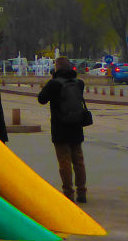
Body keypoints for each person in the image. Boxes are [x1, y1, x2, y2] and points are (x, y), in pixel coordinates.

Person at [38, 56, 89, 204]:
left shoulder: (54, 84)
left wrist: (52, 79)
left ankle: (68, 193)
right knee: (79, 160)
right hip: (77, 127)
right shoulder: (79, 83)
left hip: (60, 127)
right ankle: (82, 192)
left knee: (64, 162)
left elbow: (41, 99)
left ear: (57, 68)